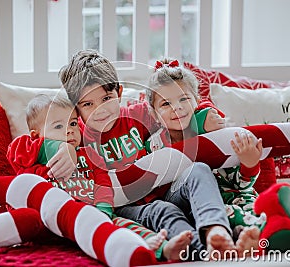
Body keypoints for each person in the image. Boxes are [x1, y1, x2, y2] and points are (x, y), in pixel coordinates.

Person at [55, 49, 237, 260]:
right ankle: (202, 252)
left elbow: (175, 104)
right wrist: (65, 148)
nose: (101, 110)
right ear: (75, 109)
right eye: (88, 104)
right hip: (127, 209)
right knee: (163, 209)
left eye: (106, 98)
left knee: (198, 170)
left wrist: (205, 111)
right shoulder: (77, 137)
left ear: (119, 93)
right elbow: (41, 145)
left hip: (167, 191)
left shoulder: (138, 115)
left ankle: (216, 230)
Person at [7, 93, 193, 261]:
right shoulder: (28, 153)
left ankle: (161, 248)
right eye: (58, 126)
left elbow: (103, 186)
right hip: (47, 221)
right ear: (36, 135)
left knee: (123, 225)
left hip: (88, 217)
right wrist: (60, 148)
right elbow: (15, 151)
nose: (70, 130)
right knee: (24, 222)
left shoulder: (90, 154)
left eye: (73, 123)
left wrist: (104, 212)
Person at [145, 58, 266, 250]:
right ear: (154, 114)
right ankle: (236, 236)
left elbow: (239, 183)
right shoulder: (154, 145)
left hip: (233, 197)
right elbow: (157, 188)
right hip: (188, 202)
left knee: (257, 210)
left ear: (197, 100)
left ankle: (253, 238)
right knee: (223, 212)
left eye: (184, 98)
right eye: (166, 104)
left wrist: (249, 163)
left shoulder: (216, 131)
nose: (177, 107)